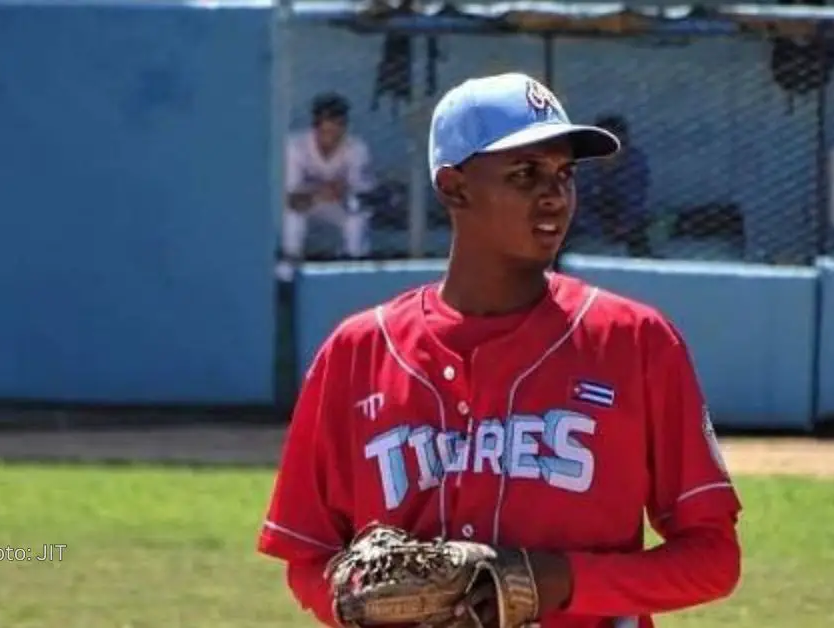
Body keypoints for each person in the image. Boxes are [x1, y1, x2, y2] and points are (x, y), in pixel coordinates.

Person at [257, 72, 743, 627]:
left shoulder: (634, 341)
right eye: (524, 173)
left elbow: (713, 558)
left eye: (564, 173)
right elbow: (307, 557)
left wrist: (561, 581)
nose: (554, 195)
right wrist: (358, 602)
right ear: (453, 186)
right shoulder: (359, 352)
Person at [277, 93, 376, 282]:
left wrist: (342, 190)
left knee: (356, 213)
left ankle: (353, 264)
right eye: (326, 126)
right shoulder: (295, 146)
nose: (332, 132)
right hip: (307, 204)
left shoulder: (356, 147)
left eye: (338, 125)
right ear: (316, 126)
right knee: (291, 216)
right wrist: (319, 192)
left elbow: (363, 193)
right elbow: (291, 196)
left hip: (338, 204)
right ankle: (289, 267)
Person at [572, 114, 653, 257]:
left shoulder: (634, 163)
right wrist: (597, 228)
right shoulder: (582, 164)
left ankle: (644, 263)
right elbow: (577, 202)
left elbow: (635, 201)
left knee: (640, 232)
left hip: (618, 210)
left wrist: (624, 226)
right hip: (589, 212)